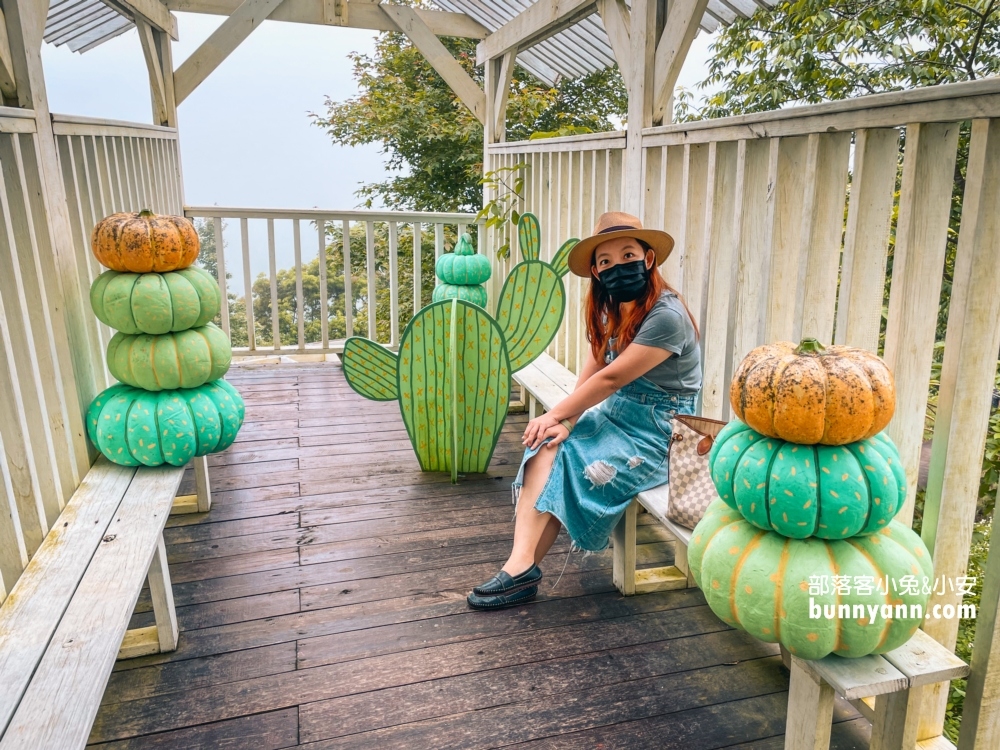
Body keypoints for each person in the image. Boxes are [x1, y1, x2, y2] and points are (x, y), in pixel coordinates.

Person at [467, 211, 703, 610]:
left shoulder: (667, 316)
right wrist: (564, 420)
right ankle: (520, 567)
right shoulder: (613, 304)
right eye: (606, 262)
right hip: (617, 414)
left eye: (628, 255)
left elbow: (610, 379)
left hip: (661, 431)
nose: (618, 267)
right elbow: (597, 362)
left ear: (648, 259)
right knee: (545, 445)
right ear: (595, 271)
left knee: (572, 463)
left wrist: (555, 413)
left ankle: (520, 571)